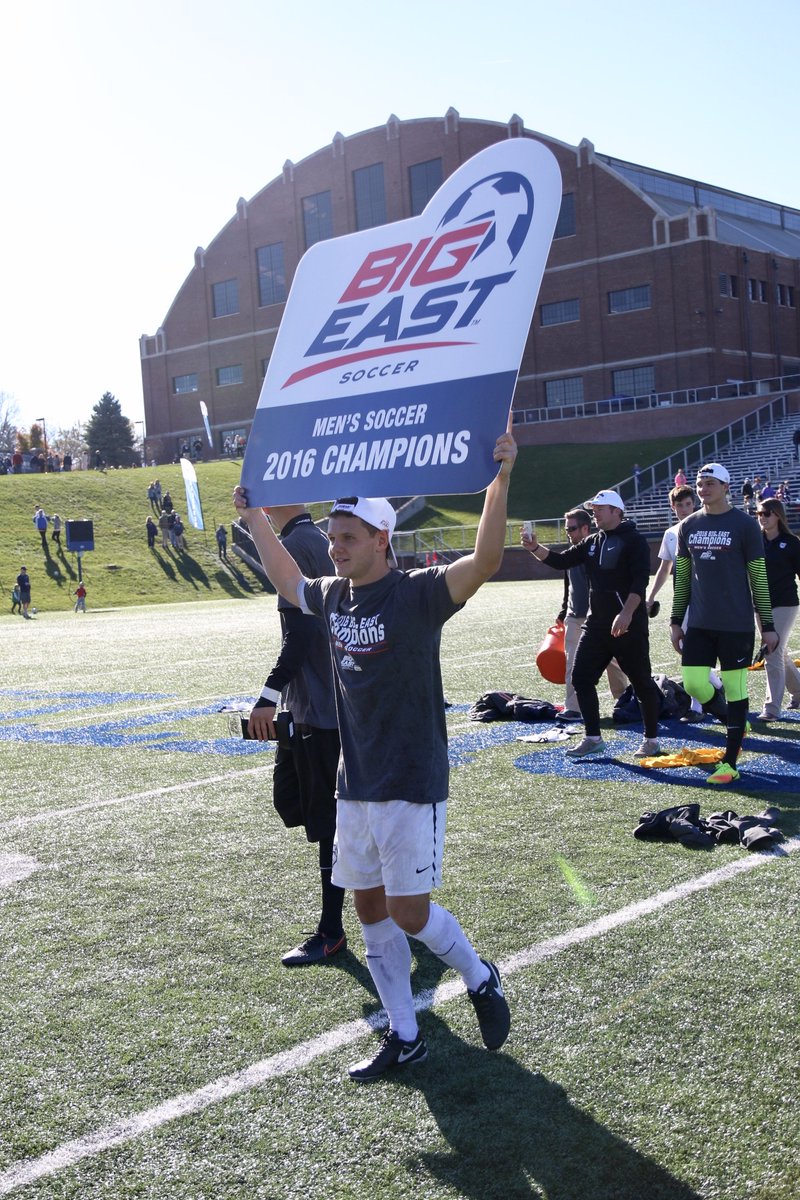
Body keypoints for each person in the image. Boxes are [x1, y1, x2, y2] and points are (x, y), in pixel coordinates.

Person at [233, 429, 515, 1081]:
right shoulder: (332, 596)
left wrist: (500, 481)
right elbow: (285, 576)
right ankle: (405, 1033)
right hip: (353, 784)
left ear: (382, 538)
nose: (335, 549)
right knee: (366, 907)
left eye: (348, 538)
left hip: (411, 781)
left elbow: (486, 562)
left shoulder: (417, 594)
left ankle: (479, 975)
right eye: (332, 538)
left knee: (409, 913)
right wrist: (252, 518)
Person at [247, 505, 346, 967]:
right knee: (295, 803)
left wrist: (269, 692)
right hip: (318, 702)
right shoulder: (314, 540)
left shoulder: (298, 545)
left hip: (323, 708)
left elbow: (302, 632)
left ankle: (331, 931)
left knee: (327, 822)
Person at [524, 489, 663, 759]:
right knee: (581, 677)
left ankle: (651, 739)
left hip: (628, 625)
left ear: (616, 512)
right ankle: (593, 737)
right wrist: (534, 549)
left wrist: (626, 614)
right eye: (594, 508)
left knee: (641, 682)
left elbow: (639, 583)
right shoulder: (593, 542)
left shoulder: (634, 541)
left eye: (600, 508)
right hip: (597, 625)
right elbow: (561, 561)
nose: (595, 512)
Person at [670, 463, 778, 785]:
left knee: (735, 688)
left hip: (736, 625)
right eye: (700, 483)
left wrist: (767, 624)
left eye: (710, 483)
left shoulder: (745, 525)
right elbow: (683, 580)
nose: (703, 489)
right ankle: (732, 719)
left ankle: (729, 762)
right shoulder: (687, 526)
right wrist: (676, 621)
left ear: (726, 487)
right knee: (693, 684)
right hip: (700, 624)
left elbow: (758, 577)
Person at [533, 507, 627, 722]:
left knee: (614, 662)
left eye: (573, 529)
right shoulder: (573, 550)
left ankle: (624, 701)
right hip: (575, 616)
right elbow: (569, 582)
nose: (569, 533)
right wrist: (564, 609)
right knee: (573, 662)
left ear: (586, 528)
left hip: (601, 617)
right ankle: (574, 707)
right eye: (567, 529)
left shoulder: (599, 548)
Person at [754, 498, 800, 720]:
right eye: (759, 513)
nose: (762, 517)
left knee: (771, 651)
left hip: (785, 603)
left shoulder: (791, 543)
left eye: (767, 513)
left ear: (778, 515)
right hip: (759, 604)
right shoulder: (754, 541)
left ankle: (771, 708)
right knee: (778, 650)